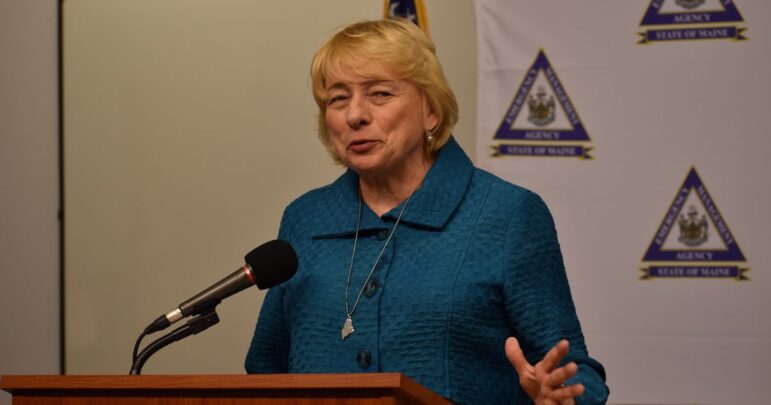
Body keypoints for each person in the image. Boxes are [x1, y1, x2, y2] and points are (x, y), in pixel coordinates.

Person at [245, 19, 608, 404]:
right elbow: (266, 368)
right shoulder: (305, 219)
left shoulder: (507, 215)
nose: (355, 115)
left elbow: (577, 372)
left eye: (380, 94)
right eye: (337, 99)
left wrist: (560, 395)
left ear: (431, 111)